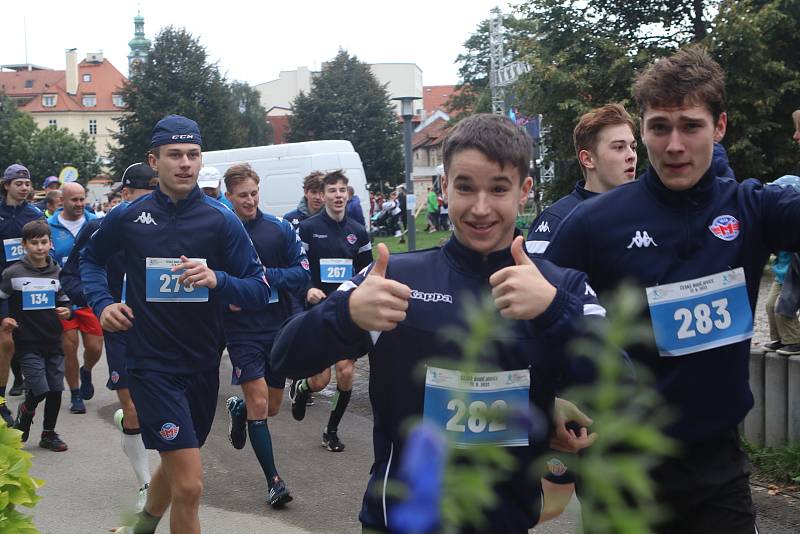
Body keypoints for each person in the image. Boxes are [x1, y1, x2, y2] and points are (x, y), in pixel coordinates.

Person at [272, 113, 602, 533]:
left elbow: (623, 385)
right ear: (444, 187)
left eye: (499, 188)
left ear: (524, 191)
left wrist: (554, 312)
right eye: (465, 187)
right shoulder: (393, 278)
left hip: (505, 521)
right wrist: (346, 313)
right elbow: (283, 358)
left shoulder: (557, 286)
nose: (480, 208)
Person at [544, 46, 800, 533]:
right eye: (659, 127)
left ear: (719, 126)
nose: (674, 145)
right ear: (643, 131)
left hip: (716, 468)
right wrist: (549, 401)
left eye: (691, 126)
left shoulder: (751, 208)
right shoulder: (595, 223)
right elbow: (535, 320)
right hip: (622, 469)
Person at [81, 114, 270, 534]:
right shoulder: (129, 217)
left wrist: (217, 280)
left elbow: (259, 289)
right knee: (190, 484)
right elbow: (90, 261)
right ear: (155, 160)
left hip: (203, 365)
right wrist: (103, 304)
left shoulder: (222, 221)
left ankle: (142, 524)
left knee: (176, 455)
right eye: (174, 155)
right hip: (150, 365)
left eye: (193, 154)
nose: (185, 163)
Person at [61, 162, 157, 510]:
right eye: (142, 197)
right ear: (125, 195)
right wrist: (101, 305)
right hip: (121, 330)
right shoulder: (100, 230)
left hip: (165, 332)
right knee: (132, 408)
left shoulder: (174, 229)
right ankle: (146, 483)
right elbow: (71, 277)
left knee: (161, 409)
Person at [222, 163, 310, 508]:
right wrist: (232, 294)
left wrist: (261, 278)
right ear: (229, 196)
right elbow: (210, 277)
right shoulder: (222, 232)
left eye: (254, 193)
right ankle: (273, 481)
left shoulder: (279, 229)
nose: (250, 200)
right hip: (241, 330)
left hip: (276, 327)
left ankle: (239, 408)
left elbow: (302, 275)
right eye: (242, 195)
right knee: (261, 402)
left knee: (271, 406)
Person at [288, 170, 372, 452]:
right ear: (322, 195)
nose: (338, 195)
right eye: (332, 191)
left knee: (346, 373)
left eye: (342, 190)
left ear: (348, 195)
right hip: (319, 312)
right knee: (320, 379)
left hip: (347, 313)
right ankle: (303, 389)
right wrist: (309, 288)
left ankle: (331, 429)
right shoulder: (309, 228)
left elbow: (367, 272)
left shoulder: (358, 232)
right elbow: (300, 267)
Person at [527, 103, 637, 256]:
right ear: (588, 159)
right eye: (619, 147)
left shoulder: (648, 212)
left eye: (633, 147)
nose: (632, 155)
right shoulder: (557, 220)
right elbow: (534, 279)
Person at [4, 220, 72, 451]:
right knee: (40, 388)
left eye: (43, 242)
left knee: (55, 390)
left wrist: (67, 311)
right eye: (34, 243)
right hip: (26, 341)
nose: (40, 247)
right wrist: (5, 318)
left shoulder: (57, 272)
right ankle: (26, 410)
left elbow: (64, 300)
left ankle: (48, 433)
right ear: (24, 245)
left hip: (52, 339)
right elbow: (2, 298)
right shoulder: (13, 273)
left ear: (50, 244)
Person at [48, 182, 103, 414]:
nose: (79, 204)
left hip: (90, 293)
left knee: (94, 348)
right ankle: (75, 394)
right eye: (74, 200)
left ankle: (87, 370)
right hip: (62, 296)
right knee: (69, 347)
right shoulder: (49, 226)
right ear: (62, 200)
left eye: (82, 199)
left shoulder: (97, 223)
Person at [0, 164, 44, 426]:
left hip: (28, 284)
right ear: (7, 185)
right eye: (19, 183)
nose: (25, 188)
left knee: (30, 342)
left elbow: (43, 249)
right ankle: (1, 401)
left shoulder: (35, 213)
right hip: (3, 285)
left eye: (27, 183)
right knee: (6, 342)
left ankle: (29, 391)